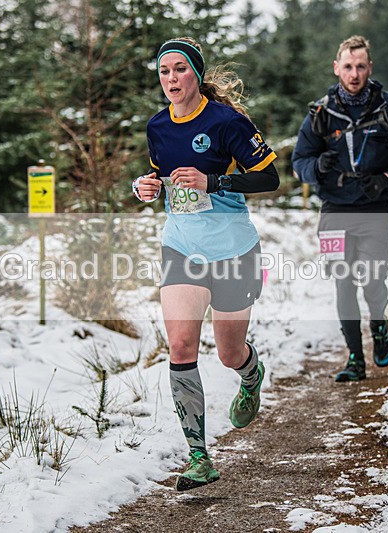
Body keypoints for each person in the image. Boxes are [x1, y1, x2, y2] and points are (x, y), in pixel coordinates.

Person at [133, 37, 279, 491]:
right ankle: (198, 456)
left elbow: (270, 177)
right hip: (182, 247)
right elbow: (162, 175)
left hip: (234, 250)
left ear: (196, 74)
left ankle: (250, 376)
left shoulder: (226, 122)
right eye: (164, 71)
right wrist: (146, 186)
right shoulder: (158, 127)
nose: (171, 78)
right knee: (180, 346)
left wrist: (213, 180)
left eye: (180, 69)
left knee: (230, 352)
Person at [292, 35, 388, 382]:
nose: (354, 74)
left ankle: (379, 325)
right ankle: (354, 359)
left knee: (372, 278)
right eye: (348, 67)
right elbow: (299, 161)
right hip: (334, 211)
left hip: (375, 209)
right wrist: (316, 166)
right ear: (336, 68)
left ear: (370, 68)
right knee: (343, 283)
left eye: (361, 67)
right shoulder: (321, 113)